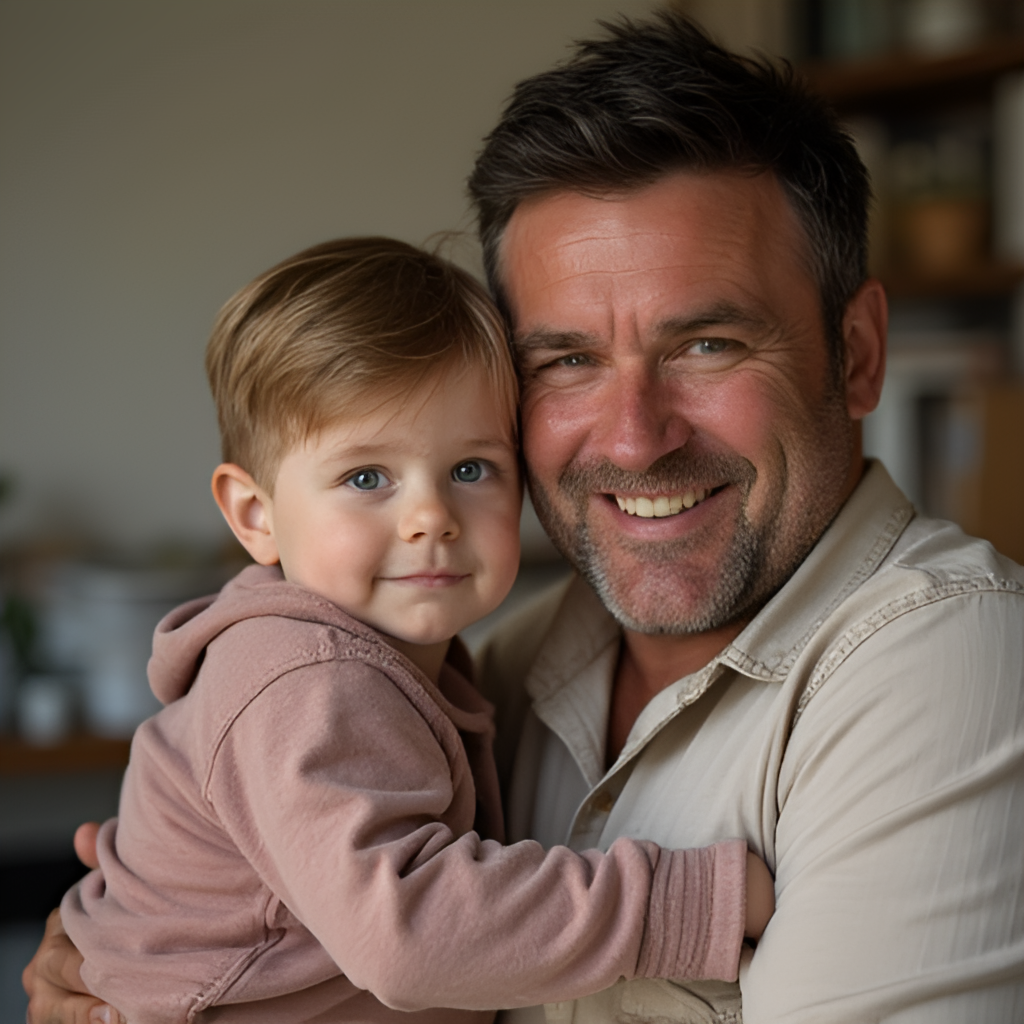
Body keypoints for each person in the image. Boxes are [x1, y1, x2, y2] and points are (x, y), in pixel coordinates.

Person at [24, 10, 1024, 1024]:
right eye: (569, 360)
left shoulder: (947, 656)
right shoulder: (491, 670)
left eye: (707, 345)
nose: (634, 440)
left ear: (857, 354)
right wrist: (120, 937)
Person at [49, 236, 772, 1024]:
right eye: (366, 477)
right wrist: (688, 906)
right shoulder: (305, 676)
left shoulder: (397, 664)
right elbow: (410, 936)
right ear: (256, 515)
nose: (431, 517)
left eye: (470, 469)